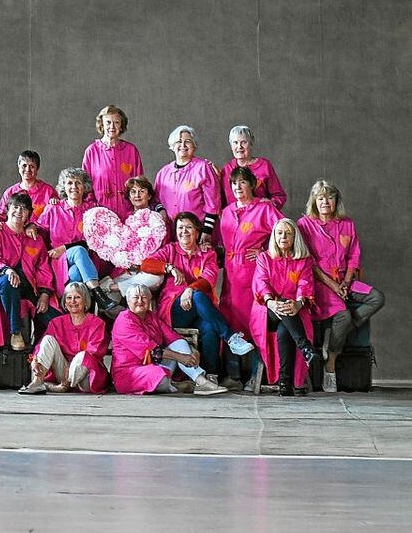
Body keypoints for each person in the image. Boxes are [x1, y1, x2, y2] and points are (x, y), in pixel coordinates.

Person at [137, 212, 254, 383]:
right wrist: (169, 268)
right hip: (173, 311)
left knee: (209, 325)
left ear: (197, 231)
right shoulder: (170, 250)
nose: (184, 231)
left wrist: (189, 290)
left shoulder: (208, 254)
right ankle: (230, 337)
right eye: (180, 228)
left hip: (199, 311)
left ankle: (211, 376)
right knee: (198, 296)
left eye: (189, 227)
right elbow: (146, 264)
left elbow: (208, 279)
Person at [298, 180, 387, 393]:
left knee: (377, 297)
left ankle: (339, 333)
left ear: (336, 201)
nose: (325, 202)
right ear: (314, 201)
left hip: (344, 279)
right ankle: (331, 361)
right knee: (343, 315)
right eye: (320, 198)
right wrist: (333, 285)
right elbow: (308, 261)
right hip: (320, 282)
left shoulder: (347, 223)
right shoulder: (304, 224)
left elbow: (353, 256)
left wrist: (346, 282)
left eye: (330, 197)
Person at [37, 166, 123, 318]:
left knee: (76, 272)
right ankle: (100, 297)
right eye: (69, 183)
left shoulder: (93, 210)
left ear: (85, 187)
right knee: (78, 250)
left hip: (87, 262)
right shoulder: (53, 209)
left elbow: (96, 240)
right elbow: (39, 231)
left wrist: (64, 247)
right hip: (59, 262)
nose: (74, 187)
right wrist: (30, 227)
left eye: (78, 183)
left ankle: (76, 318)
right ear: (64, 187)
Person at [110, 284, 227, 395]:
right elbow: (151, 350)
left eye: (144, 298)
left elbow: (173, 336)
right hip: (130, 371)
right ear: (128, 301)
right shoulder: (124, 320)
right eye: (136, 298)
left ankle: (201, 381)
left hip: (154, 364)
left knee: (179, 343)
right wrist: (181, 357)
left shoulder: (151, 316)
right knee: (158, 376)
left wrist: (193, 351)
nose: (140, 301)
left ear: (149, 300)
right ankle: (176, 386)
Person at [217, 166, 284, 353]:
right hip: (230, 275)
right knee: (229, 317)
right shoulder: (227, 212)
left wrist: (265, 251)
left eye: (243, 182)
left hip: (252, 274)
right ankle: (233, 368)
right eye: (234, 183)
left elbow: (286, 232)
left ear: (252, 185)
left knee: (252, 320)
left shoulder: (264, 208)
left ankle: (258, 366)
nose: (238, 187)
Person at [252, 218, 320, 396]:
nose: (283, 237)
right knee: (282, 305)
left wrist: (299, 303)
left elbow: (305, 284)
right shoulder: (264, 258)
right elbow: (261, 283)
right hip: (266, 309)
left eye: (288, 233)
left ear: (295, 237)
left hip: (294, 310)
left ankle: (285, 383)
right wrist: (271, 302)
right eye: (280, 233)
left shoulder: (303, 260)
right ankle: (305, 347)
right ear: (274, 236)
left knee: (284, 330)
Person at [0, 192, 55, 351]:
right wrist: (7, 270)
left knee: (54, 319)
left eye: (24, 209)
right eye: (15, 207)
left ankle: (41, 353)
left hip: (30, 285)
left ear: (28, 215)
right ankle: (15, 332)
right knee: (8, 282)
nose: (19, 211)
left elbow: (43, 267)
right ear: (8, 209)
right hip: (3, 282)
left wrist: (45, 293)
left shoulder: (35, 238)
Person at [19, 283, 108, 394]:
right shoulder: (56, 323)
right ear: (65, 303)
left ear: (85, 301)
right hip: (63, 371)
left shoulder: (97, 323)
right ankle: (37, 382)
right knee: (47, 339)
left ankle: (61, 386)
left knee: (82, 356)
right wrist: (34, 360)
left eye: (77, 297)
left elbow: (94, 353)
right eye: (69, 298)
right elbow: (40, 347)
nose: (73, 301)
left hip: (87, 377)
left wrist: (71, 368)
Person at [153, 125, 221, 243]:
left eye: (188, 141)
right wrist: (161, 211)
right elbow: (155, 200)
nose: (183, 145)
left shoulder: (203, 168)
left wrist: (207, 231)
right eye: (179, 142)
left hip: (199, 232)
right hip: (171, 234)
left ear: (194, 145)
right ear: (172, 146)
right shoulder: (163, 173)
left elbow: (213, 202)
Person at [104, 176, 167, 295]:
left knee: (156, 278)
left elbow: (164, 248)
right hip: (126, 270)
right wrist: (127, 262)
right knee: (110, 300)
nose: (137, 195)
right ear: (129, 196)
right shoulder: (123, 219)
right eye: (133, 192)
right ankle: (115, 288)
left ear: (149, 195)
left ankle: (113, 287)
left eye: (142, 191)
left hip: (147, 269)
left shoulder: (157, 219)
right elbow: (118, 246)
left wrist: (143, 262)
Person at [81, 105, 144, 218]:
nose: (112, 126)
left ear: (121, 126)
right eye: (108, 122)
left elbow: (139, 183)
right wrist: (93, 208)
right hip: (101, 214)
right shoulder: (92, 151)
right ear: (102, 125)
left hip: (128, 213)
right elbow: (85, 185)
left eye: (116, 122)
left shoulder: (131, 150)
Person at [221, 125, 287, 209]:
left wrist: (270, 204)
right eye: (235, 142)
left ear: (251, 144)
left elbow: (279, 196)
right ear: (231, 146)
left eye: (244, 142)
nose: (239, 146)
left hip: (260, 214)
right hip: (235, 215)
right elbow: (220, 201)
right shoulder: (226, 169)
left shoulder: (264, 166)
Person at [0, 150, 57, 221]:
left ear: (37, 168)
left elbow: (56, 217)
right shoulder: (10, 192)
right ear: (19, 167)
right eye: (24, 165)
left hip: (40, 228)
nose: (27, 169)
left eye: (32, 166)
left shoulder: (48, 191)